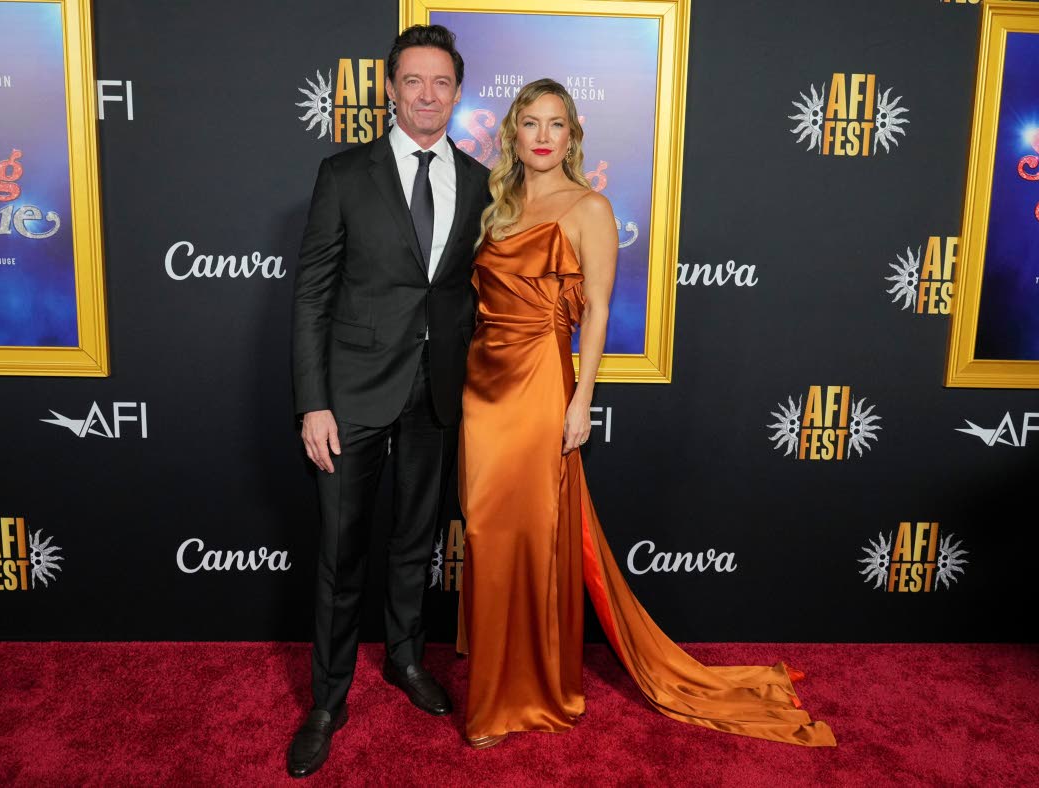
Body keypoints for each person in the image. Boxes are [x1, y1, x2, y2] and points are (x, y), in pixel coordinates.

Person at [458, 79, 836, 749]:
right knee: (488, 533)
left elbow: (598, 309)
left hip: (542, 385)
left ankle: (529, 694)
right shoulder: (499, 205)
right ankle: (495, 673)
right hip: (480, 390)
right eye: (531, 124)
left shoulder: (589, 207)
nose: (543, 136)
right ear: (513, 134)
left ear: (573, 136)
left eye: (557, 124)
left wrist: (583, 401)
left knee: (538, 533)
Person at [288, 24, 491, 779]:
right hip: (350, 398)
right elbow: (311, 297)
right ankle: (327, 700)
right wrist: (314, 401)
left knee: (415, 544)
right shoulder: (343, 175)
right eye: (414, 81)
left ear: (458, 92)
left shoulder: (477, 181)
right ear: (389, 89)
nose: (428, 95)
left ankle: (405, 659)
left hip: (435, 397)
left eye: (442, 82)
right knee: (341, 555)